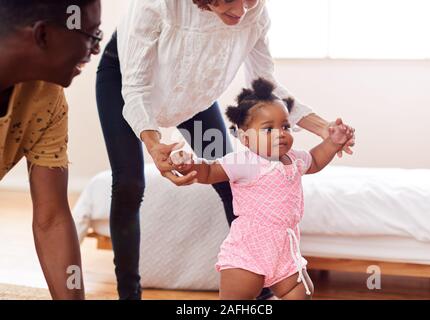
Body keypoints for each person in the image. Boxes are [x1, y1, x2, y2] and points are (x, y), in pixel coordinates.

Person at [96, 0, 355, 300]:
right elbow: (137, 89)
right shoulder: (158, 5)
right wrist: (154, 144)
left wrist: (325, 130)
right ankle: (129, 295)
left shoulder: (254, 12)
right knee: (129, 184)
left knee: (233, 182)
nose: (243, 10)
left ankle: (261, 288)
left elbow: (266, 86)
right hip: (126, 82)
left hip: (195, 97)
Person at [171, 78, 355, 299]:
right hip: (248, 253)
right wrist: (188, 164)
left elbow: (315, 161)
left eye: (285, 126)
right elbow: (209, 172)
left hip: (284, 253)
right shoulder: (244, 162)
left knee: (302, 293)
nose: (280, 133)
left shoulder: (294, 159)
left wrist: (333, 143)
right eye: (268, 129)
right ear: (245, 138)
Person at [0, 0, 102, 299]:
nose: (95, 49)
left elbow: (52, 218)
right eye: (91, 35)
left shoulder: (47, 97)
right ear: (43, 35)